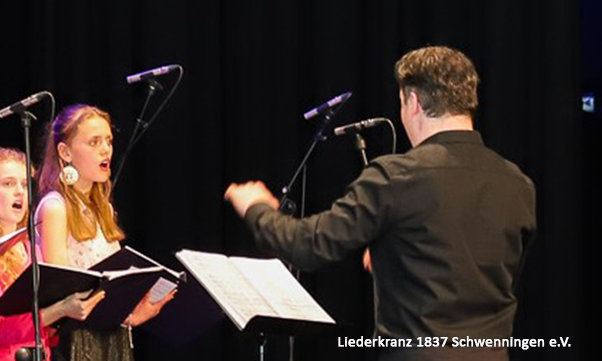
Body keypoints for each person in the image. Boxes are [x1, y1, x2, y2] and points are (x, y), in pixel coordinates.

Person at [223, 46, 535, 361]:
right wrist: (396, 251)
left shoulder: (397, 176)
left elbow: (307, 246)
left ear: (413, 101)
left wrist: (256, 208)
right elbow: (488, 273)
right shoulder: (519, 184)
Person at [34, 104, 176, 361]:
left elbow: (109, 292)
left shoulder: (104, 209)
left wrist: (130, 314)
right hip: (75, 343)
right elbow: (59, 290)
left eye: (108, 141)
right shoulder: (55, 206)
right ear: (65, 152)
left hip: (111, 340)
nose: (105, 150)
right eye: (94, 142)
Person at [0, 148, 100, 361]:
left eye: (25, 185)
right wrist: (61, 309)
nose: (20, 192)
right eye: (8, 184)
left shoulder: (29, 247)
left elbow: (45, 326)